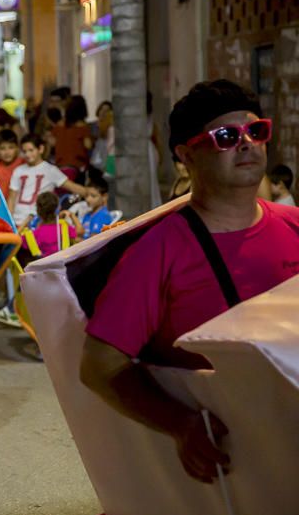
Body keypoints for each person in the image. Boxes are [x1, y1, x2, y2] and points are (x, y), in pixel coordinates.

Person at [79, 79, 299, 483]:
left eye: (256, 131)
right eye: (226, 136)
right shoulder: (156, 253)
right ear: (186, 155)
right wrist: (180, 425)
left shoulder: (294, 225)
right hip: (232, 471)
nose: (246, 143)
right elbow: (99, 366)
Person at [0, 135, 86, 327]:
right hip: (19, 222)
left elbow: (73, 188)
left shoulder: (50, 170)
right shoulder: (19, 170)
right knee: (15, 266)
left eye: (32, 150)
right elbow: (12, 198)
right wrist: (9, 221)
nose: (28, 154)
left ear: (41, 149)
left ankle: (17, 308)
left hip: (35, 224)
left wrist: (91, 193)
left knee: (32, 266)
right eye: (26, 151)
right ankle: (15, 307)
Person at [51, 95, 94, 185]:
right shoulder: (83, 127)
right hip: (77, 166)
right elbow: (88, 145)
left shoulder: (59, 125)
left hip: (61, 165)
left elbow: (52, 143)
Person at [0, 129, 25, 200]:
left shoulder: (23, 163)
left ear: (17, 148)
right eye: (2, 148)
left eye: (11, 147)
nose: (7, 152)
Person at [76, 176, 113, 240]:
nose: (88, 199)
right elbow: (80, 233)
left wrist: (79, 241)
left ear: (104, 197)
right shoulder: (87, 215)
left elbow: (94, 240)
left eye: (93, 196)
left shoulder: (103, 215)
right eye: (86, 195)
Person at [147, 92, 164, 208]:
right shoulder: (149, 114)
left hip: (148, 150)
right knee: (152, 182)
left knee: (151, 182)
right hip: (150, 149)